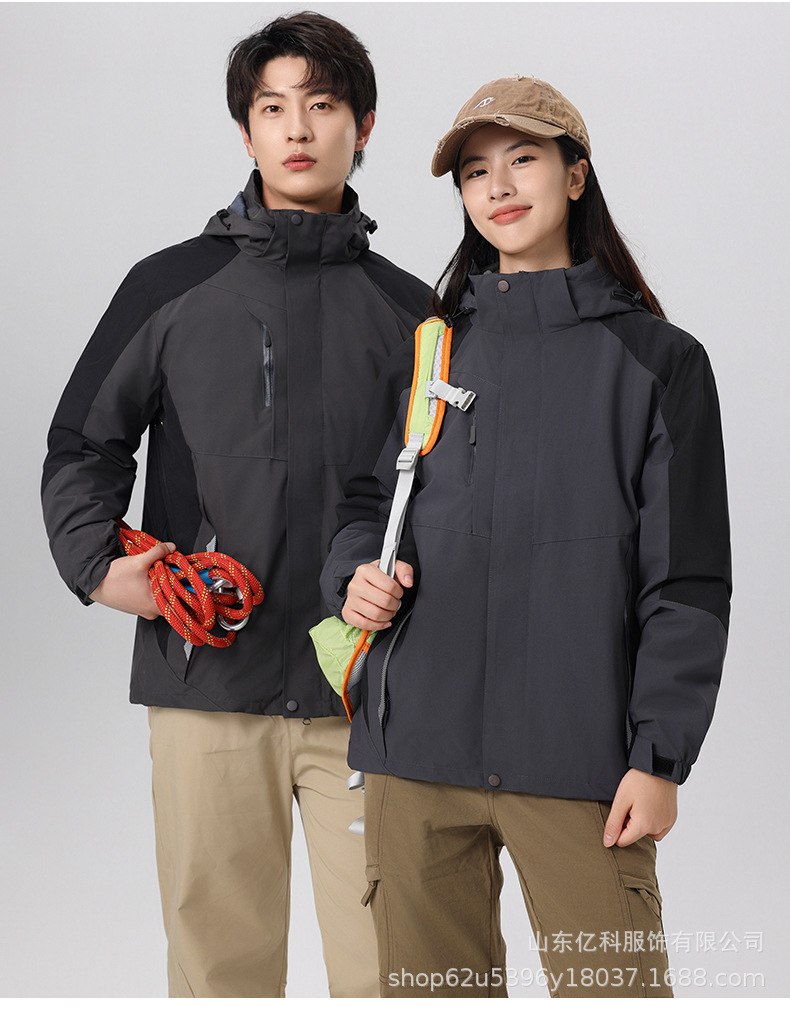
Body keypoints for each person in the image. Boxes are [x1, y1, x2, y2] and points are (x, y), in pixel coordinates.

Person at [41, 11, 431, 998]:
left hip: (367, 692)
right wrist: (98, 566)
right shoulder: (169, 286)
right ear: (246, 130)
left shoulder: (412, 312)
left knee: (394, 969)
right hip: (206, 681)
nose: (297, 128)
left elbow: (442, 487)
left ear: (364, 125)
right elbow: (83, 442)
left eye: (323, 104)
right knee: (220, 973)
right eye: (272, 107)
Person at [320, 76, 731, 998]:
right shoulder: (434, 351)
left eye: (523, 159)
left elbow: (688, 581)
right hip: (414, 757)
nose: (498, 187)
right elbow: (364, 504)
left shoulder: (660, 362)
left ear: (575, 177)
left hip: (580, 761)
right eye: (475, 172)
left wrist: (659, 758)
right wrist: (353, 575)